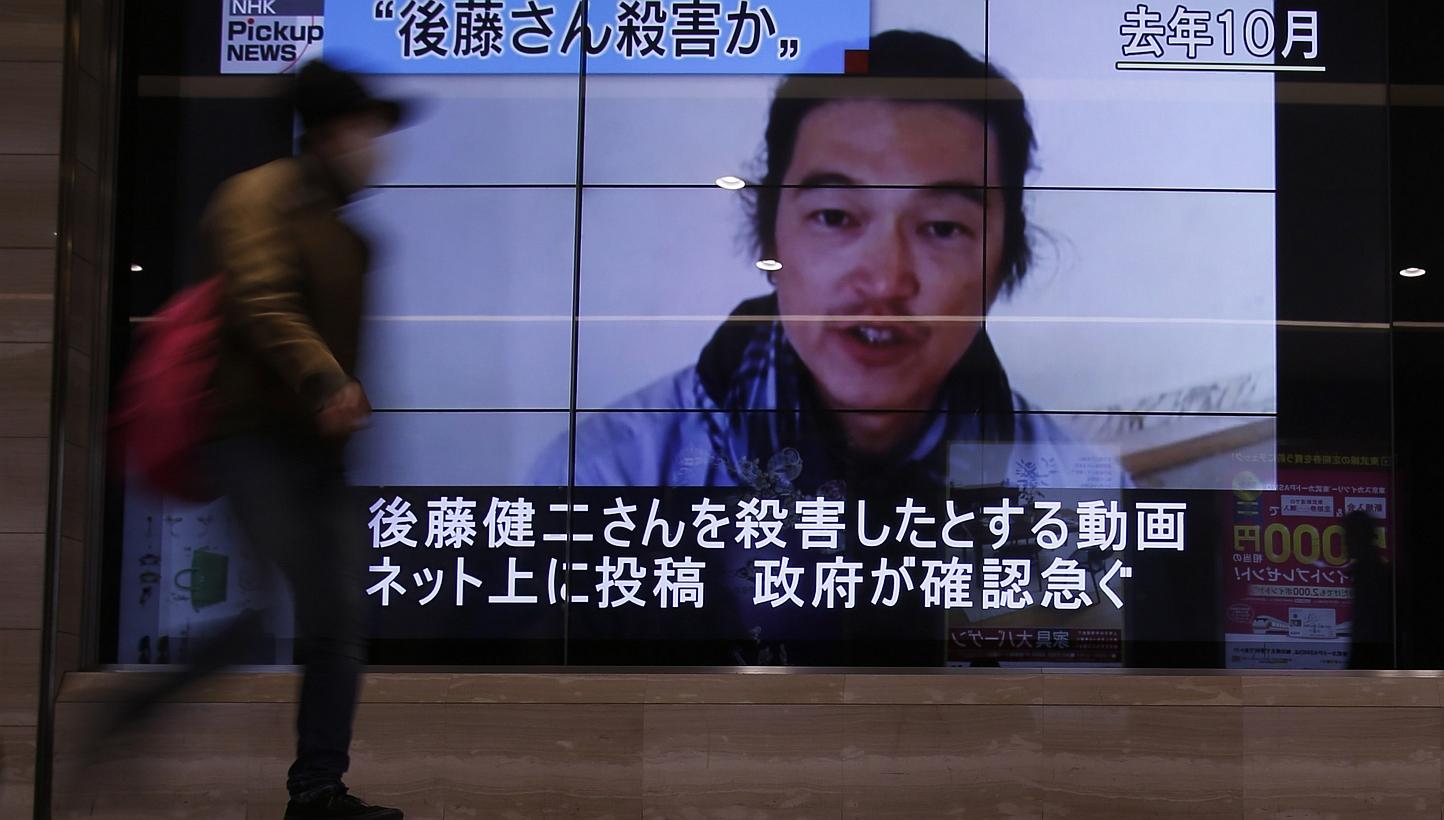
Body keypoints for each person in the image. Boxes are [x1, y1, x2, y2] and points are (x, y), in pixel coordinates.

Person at [537, 31, 1126, 665]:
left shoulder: (1080, 501)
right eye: (836, 217)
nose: (885, 279)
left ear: (1004, 259)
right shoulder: (607, 478)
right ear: (773, 237)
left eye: (942, 227)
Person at [110, 60, 405, 820]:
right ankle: (130, 709)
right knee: (265, 615)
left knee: (337, 620)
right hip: (251, 441)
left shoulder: (351, 235)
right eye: (369, 129)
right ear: (333, 133)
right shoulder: (259, 197)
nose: (380, 146)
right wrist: (326, 382)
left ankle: (317, 790)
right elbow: (261, 297)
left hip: (317, 456)